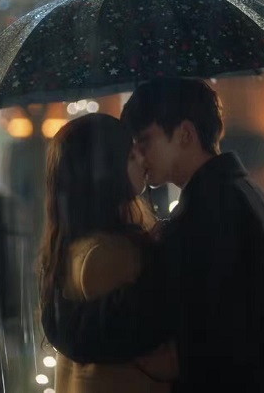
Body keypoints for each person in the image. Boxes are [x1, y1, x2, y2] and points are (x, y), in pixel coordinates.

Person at [41, 77, 264, 393]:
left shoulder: (207, 215)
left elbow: (133, 323)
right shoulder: (249, 196)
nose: (140, 154)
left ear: (185, 134)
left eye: (145, 140)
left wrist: (60, 318)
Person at [39, 113, 178, 393]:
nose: (142, 159)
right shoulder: (110, 254)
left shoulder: (73, 247)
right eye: (131, 155)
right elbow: (156, 355)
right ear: (106, 171)